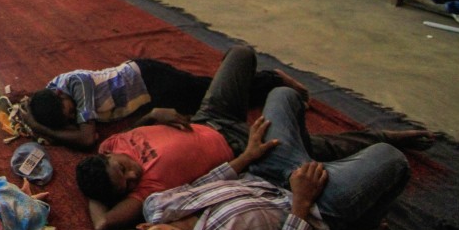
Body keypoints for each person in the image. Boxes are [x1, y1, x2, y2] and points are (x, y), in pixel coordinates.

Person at [74, 46, 427, 230]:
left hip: (209, 116)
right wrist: (96, 192)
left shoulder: (108, 146)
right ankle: (383, 137)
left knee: (241, 54)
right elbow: (104, 224)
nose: (133, 175)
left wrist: (152, 117)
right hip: (246, 151)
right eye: (127, 183)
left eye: (123, 169)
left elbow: (131, 136)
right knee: (319, 148)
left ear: (108, 157)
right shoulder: (143, 194)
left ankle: (277, 91)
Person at [113, 104, 410, 230]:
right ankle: (363, 223)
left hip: (269, 171)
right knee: (391, 159)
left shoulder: (157, 206)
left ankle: (310, 154)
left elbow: (204, 183)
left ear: (144, 227)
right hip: (317, 205)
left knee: (283, 96)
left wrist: (248, 156)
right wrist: (301, 203)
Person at [25, 59, 288, 150]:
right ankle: (264, 80)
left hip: (151, 80)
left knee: (212, 93)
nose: (75, 120)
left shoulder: (77, 84)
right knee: (204, 94)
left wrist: (40, 128)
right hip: (145, 91)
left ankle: (271, 79)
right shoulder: (52, 91)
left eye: (72, 113)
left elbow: (86, 138)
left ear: (62, 95)